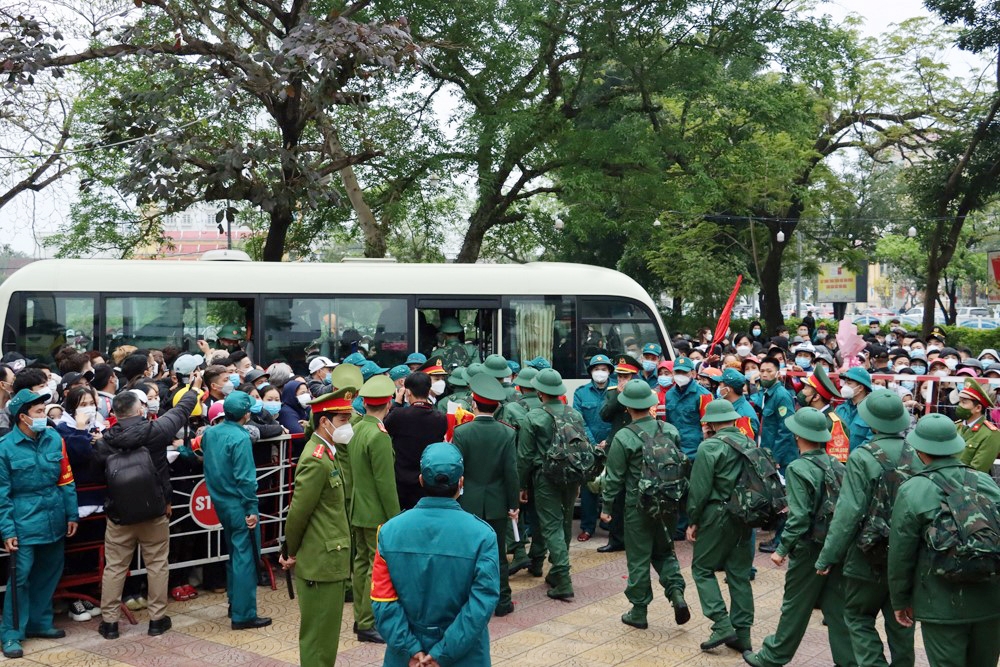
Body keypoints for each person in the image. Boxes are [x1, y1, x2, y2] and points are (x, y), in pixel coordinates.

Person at [741, 408, 854, 667]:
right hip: (835, 545)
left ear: (797, 436)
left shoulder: (799, 467)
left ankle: (773, 656)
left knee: (795, 606)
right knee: (838, 609)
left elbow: (799, 516)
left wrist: (782, 549)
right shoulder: (836, 464)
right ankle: (849, 660)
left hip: (809, 548)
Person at [814, 390, 919, 667]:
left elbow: (848, 512)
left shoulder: (863, 457)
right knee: (902, 621)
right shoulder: (918, 454)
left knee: (858, 617)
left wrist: (828, 556)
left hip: (868, 553)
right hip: (909, 554)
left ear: (870, 421)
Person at [93, 377, 202, 640]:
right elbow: (181, 410)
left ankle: (109, 623)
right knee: (157, 564)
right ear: (140, 410)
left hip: (119, 514)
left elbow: (99, 474)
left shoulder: (103, 442)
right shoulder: (156, 431)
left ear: (115, 414)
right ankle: (157, 619)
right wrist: (192, 389)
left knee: (115, 567)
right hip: (155, 509)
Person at [372, 442, 499, 666]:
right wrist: (443, 651)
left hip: (406, 655)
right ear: (461, 483)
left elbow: (383, 602)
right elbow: (481, 604)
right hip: (465, 653)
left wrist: (410, 648)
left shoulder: (389, 532)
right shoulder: (482, 536)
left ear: (421, 480)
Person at [888, 413, 1000, 667]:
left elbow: (900, 553)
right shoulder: (985, 481)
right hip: (991, 599)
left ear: (919, 450)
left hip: (939, 602)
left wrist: (901, 600)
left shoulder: (913, 489)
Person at [600, 380, 689, 630]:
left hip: (637, 507)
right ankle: (676, 594)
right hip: (669, 504)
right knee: (664, 551)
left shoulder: (624, 437)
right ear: (651, 405)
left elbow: (614, 478)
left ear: (627, 407)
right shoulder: (670, 430)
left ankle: (639, 611)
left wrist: (606, 509)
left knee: (639, 558)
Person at [280, 388, 355, 667]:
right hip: (321, 561)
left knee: (327, 636)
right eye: (343, 419)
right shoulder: (315, 458)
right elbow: (299, 513)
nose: (348, 425)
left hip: (330, 557)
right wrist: (291, 550)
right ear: (325, 422)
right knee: (318, 638)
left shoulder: (329, 453)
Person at [686, 399, 755, 653]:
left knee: (702, 568)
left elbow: (700, 489)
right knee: (739, 575)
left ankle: (721, 623)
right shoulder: (749, 442)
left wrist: (693, 519)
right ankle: (743, 635)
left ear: (711, 423)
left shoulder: (710, 446)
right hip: (746, 516)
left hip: (718, 513)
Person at [201, 391, 270, 630]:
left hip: (221, 503)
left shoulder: (210, 433)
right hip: (240, 504)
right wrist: (251, 508)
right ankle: (243, 614)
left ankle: (235, 602)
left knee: (234, 554)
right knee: (246, 558)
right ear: (246, 414)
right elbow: (245, 479)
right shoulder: (240, 438)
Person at [452, 374, 519, 617]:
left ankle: (467, 601)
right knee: (498, 553)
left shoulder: (462, 432)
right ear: (497, 406)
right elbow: (511, 472)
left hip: (467, 502)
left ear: (474, 404)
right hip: (497, 502)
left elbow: (457, 469)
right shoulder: (507, 433)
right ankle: (502, 601)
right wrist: (513, 504)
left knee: (468, 553)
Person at [518, 368, 587, 600]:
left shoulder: (534, 416)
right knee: (565, 520)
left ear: (539, 391)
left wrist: (521, 485)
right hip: (571, 475)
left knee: (551, 525)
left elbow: (525, 456)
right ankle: (557, 572)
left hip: (544, 476)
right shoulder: (573, 414)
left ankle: (563, 579)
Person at [349, 375, 401, 644]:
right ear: (389, 403)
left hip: (358, 509)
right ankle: (368, 622)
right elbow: (385, 483)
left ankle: (361, 618)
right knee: (373, 567)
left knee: (361, 565)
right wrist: (395, 518)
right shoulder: (379, 435)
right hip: (375, 512)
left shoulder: (357, 428)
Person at [384, 372, 447, 510]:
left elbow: (386, 425)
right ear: (428, 390)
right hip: (428, 480)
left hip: (402, 482)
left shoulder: (399, 415)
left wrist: (397, 402)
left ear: (408, 392)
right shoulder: (440, 418)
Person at [596, 356, 638, 553]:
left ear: (634, 376)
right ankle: (615, 539)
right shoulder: (612, 392)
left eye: (626, 376)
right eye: (620, 376)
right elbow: (604, 415)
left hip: (637, 447)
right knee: (614, 493)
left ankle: (634, 538)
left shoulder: (643, 392)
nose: (622, 380)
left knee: (635, 494)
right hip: (616, 446)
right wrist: (619, 395)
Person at [573, 354, 613, 542]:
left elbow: (621, 417)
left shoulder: (615, 391)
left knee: (614, 485)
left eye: (604, 369)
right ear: (590, 372)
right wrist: (593, 442)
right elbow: (579, 420)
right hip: (590, 448)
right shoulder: (581, 393)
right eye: (597, 369)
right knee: (588, 488)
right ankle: (587, 527)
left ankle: (612, 523)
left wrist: (608, 440)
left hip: (613, 446)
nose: (600, 373)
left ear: (609, 372)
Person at [954, 377, 1000, 472]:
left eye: (964, 402)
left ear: (978, 408)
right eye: (960, 401)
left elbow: (977, 470)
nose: (960, 406)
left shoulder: (991, 434)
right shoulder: (956, 427)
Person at [835, 367, 874, 452]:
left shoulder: (872, 411)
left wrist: (853, 457)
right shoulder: (840, 409)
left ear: (860, 388)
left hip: (859, 461)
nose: (845, 386)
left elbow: (871, 440)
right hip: (838, 460)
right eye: (845, 383)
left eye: (849, 383)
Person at [718, 368, 758, 438]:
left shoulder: (743, 415)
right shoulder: (727, 406)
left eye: (720, 385)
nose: (719, 387)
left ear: (728, 389)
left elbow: (744, 445)